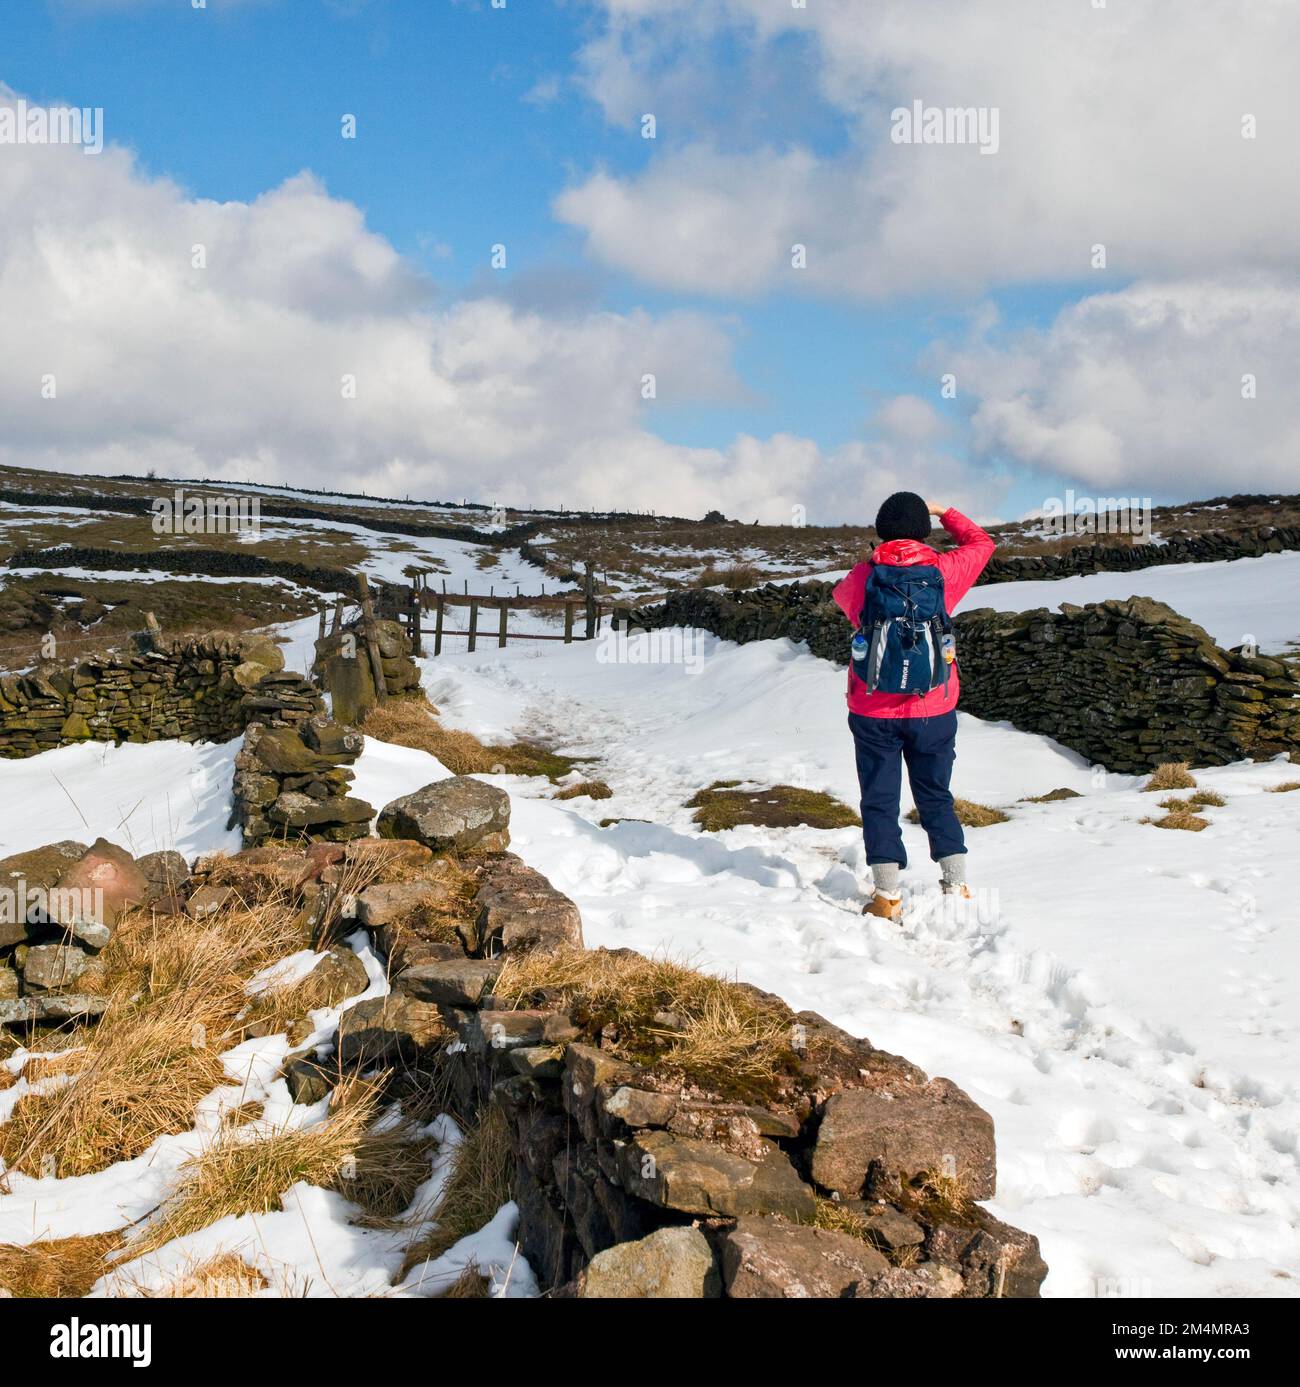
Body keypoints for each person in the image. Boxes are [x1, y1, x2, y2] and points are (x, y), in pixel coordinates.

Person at [832, 492, 995, 921]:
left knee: (880, 799)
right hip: (935, 708)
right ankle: (955, 884)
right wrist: (946, 513)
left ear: (881, 530)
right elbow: (982, 544)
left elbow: (847, 607)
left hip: (872, 711)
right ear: (924, 529)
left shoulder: (864, 576)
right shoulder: (945, 571)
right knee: (936, 795)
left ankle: (887, 896)